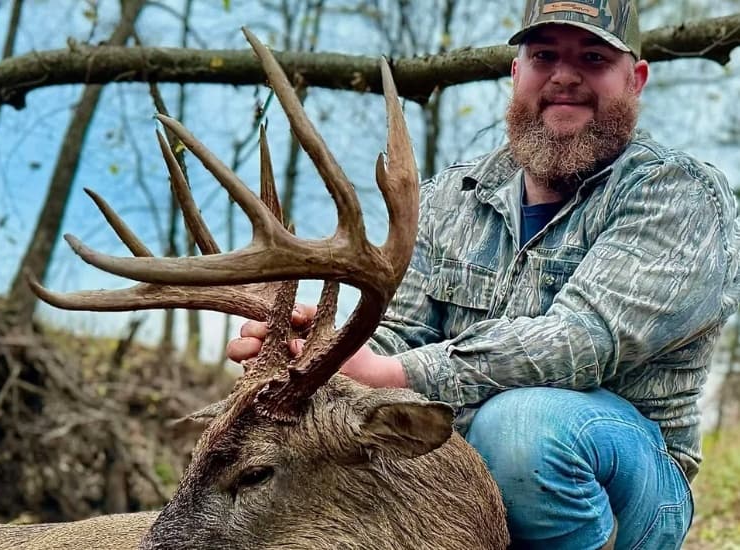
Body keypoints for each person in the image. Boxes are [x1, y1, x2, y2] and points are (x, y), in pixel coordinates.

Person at [227, 0, 740, 548]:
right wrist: (327, 352)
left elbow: (585, 340)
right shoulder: (451, 197)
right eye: (544, 55)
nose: (564, 77)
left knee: (520, 429)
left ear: (635, 79)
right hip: (457, 475)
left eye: (593, 57)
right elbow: (401, 338)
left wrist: (395, 376)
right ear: (516, 72)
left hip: (627, 478)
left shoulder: (677, 194)